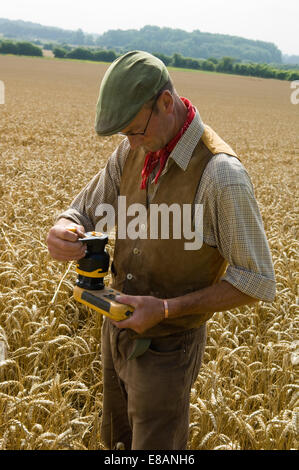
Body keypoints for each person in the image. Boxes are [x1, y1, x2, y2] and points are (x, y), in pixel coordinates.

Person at [46, 50, 276, 450]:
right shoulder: (133, 149)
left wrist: (166, 309)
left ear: (165, 103)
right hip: (115, 330)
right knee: (116, 444)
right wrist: (65, 227)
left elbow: (257, 281)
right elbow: (84, 212)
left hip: (169, 348)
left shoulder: (221, 175)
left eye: (135, 129)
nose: (130, 142)